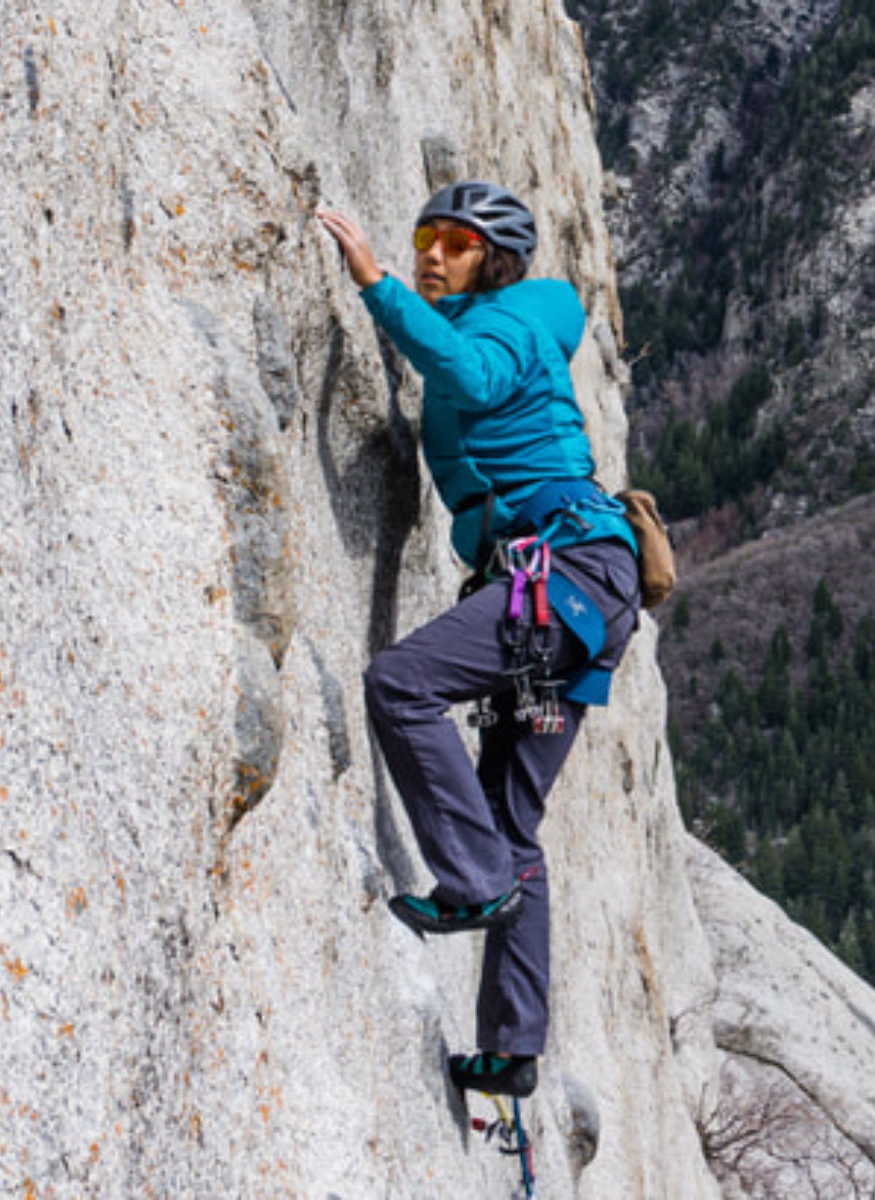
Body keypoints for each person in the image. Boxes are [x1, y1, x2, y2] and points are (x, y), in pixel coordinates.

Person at [318, 182, 641, 1101]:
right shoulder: (490, 318)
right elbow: (454, 358)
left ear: (493, 258)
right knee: (512, 826)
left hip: (562, 579)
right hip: (580, 599)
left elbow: (475, 375)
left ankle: (466, 880)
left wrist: (378, 284)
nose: (432, 253)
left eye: (454, 243)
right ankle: (511, 1046)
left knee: (401, 683)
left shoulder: (512, 326)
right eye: (425, 237)